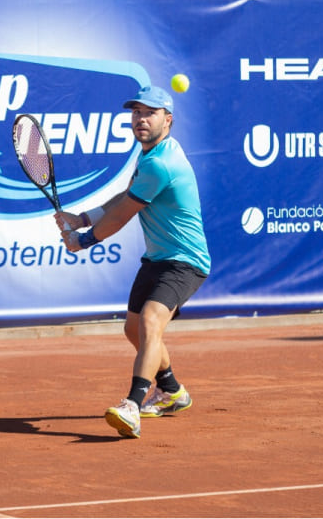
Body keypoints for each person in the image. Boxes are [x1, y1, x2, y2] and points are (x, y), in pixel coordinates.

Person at [54, 85, 211, 439]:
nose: (141, 119)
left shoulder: (161, 163)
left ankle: (132, 405)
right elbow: (127, 196)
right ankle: (173, 392)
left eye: (150, 113)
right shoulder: (151, 154)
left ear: (168, 120)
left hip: (185, 261)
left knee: (151, 321)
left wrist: (83, 240)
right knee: (134, 329)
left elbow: (123, 215)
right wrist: (82, 218)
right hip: (158, 257)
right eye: (137, 112)